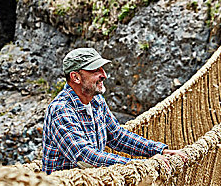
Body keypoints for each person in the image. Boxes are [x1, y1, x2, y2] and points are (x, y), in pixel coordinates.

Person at [42, 47, 188, 174]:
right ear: (76, 77)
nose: (104, 75)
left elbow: (117, 136)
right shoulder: (60, 110)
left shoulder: (96, 101)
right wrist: (140, 166)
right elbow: (85, 155)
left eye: (102, 68)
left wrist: (158, 150)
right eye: (95, 70)